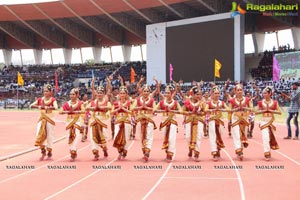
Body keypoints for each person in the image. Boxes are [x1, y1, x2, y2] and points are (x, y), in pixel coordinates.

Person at [30, 84, 58, 160]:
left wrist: (47, 107)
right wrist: (39, 106)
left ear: (50, 92)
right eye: (44, 91)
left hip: (50, 119)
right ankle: (42, 149)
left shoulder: (53, 100)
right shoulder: (40, 100)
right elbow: (31, 105)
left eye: (47, 91)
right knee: (39, 133)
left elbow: (56, 107)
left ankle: (49, 150)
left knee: (49, 135)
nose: (45, 92)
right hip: (41, 118)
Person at [156, 85, 182, 162]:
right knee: (165, 138)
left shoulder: (175, 102)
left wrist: (172, 111)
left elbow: (181, 111)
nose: (167, 94)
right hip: (164, 122)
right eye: (166, 93)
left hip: (173, 121)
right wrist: (163, 111)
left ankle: (170, 154)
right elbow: (154, 110)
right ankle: (167, 152)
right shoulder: (161, 102)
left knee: (172, 138)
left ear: (172, 93)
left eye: (168, 93)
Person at [228, 83, 253, 161]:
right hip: (235, 118)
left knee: (243, 135)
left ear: (243, 90)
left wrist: (245, 108)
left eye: (240, 90)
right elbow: (229, 110)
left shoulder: (247, 99)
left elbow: (252, 109)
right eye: (238, 90)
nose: (239, 91)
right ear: (235, 91)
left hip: (244, 118)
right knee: (236, 134)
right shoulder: (232, 100)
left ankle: (241, 150)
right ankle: (239, 151)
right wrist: (229, 120)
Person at [255, 86, 282, 161]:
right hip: (264, 121)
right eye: (263, 93)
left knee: (270, 137)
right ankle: (267, 153)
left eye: (265, 93)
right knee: (265, 137)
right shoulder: (260, 102)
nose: (264, 94)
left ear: (270, 94)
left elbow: (280, 112)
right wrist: (263, 111)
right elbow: (256, 112)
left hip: (272, 122)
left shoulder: (275, 102)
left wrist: (271, 110)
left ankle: (269, 148)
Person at [132, 84, 157, 162]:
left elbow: (155, 110)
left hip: (149, 120)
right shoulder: (138, 100)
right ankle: (144, 150)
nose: (146, 93)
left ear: (149, 92)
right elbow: (132, 108)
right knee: (142, 136)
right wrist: (140, 108)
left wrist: (147, 108)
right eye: (144, 91)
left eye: (147, 91)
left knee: (149, 136)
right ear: (142, 92)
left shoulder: (152, 100)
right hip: (140, 121)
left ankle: (147, 151)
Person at [86, 86, 112, 161]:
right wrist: (94, 108)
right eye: (98, 93)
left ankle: (104, 149)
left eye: (101, 93)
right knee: (93, 137)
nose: (99, 94)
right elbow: (87, 108)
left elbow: (110, 108)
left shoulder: (107, 102)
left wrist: (100, 108)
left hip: (103, 121)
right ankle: (95, 153)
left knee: (104, 136)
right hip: (93, 121)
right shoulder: (92, 102)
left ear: (103, 94)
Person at [59, 88, 85, 161]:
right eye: (70, 94)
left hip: (77, 122)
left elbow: (83, 111)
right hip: (68, 123)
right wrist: (67, 111)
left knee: (76, 137)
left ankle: (73, 152)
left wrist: (75, 112)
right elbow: (60, 111)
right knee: (69, 138)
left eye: (73, 94)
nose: (71, 96)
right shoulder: (67, 104)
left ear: (77, 95)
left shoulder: (80, 103)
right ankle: (73, 149)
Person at [182, 86, 205, 162]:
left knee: (198, 136)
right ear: (193, 95)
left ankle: (196, 153)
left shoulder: (202, 103)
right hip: (189, 120)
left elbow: (205, 111)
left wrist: (200, 113)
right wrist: (189, 112)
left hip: (199, 121)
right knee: (188, 137)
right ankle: (190, 148)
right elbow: (183, 111)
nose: (199, 96)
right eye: (197, 94)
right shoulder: (187, 102)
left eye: (200, 94)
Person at [206, 86, 227, 161]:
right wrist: (214, 109)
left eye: (218, 93)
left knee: (220, 135)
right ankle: (214, 152)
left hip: (220, 120)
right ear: (212, 94)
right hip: (212, 121)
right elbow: (205, 110)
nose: (217, 95)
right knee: (212, 136)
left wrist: (221, 109)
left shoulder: (222, 102)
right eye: (215, 93)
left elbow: (228, 109)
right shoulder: (209, 103)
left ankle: (218, 149)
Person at [111, 86, 132, 160]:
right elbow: (111, 112)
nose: (122, 95)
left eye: (124, 93)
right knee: (116, 137)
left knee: (126, 138)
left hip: (126, 121)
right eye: (121, 93)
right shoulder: (116, 103)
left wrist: (123, 109)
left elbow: (132, 112)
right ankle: (119, 151)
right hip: (118, 121)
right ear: (119, 94)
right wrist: (118, 109)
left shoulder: (129, 103)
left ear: (126, 94)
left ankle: (124, 152)